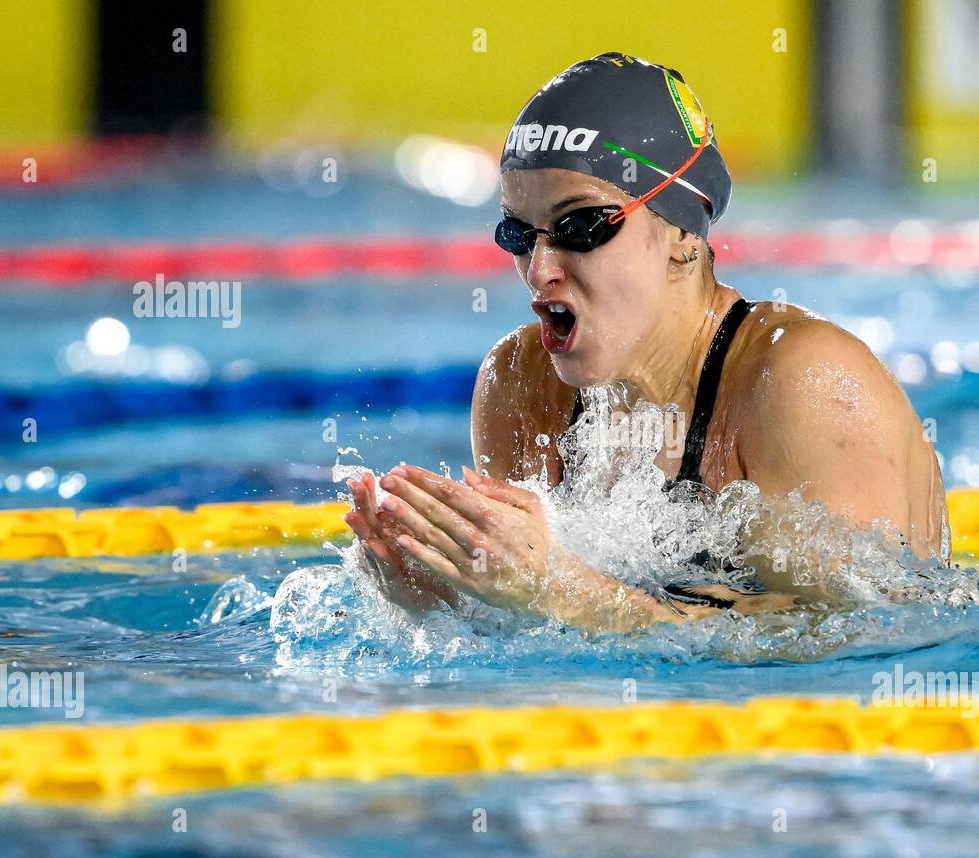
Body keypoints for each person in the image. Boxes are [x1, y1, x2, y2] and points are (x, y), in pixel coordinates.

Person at [345, 52, 948, 633]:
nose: (540, 269)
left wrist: (566, 593)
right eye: (518, 234)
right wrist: (447, 602)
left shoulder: (800, 385)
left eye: (580, 227)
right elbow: (543, 634)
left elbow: (867, 636)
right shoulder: (520, 385)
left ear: (684, 235)